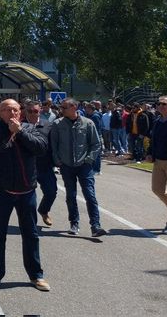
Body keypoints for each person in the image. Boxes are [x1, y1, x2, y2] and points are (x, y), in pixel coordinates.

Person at [0, 99, 50, 291]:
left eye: (15, 110)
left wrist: (19, 132)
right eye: (7, 110)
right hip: (1, 191)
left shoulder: (30, 128)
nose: (12, 113)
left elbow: (41, 148)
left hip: (27, 191)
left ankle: (36, 275)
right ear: (0, 113)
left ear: (20, 112)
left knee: (30, 235)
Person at [50, 98, 106, 237]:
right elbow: (54, 145)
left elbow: (96, 144)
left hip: (84, 166)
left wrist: (89, 159)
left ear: (74, 107)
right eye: (61, 107)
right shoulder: (58, 124)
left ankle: (95, 225)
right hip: (67, 166)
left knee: (90, 195)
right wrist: (58, 161)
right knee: (71, 196)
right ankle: (74, 223)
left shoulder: (88, 123)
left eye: (64, 107)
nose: (61, 110)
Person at [146, 96, 167, 235]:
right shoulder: (157, 121)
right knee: (157, 189)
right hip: (158, 160)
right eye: (158, 103)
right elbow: (153, 139)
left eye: (164, 104)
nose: (160, 106)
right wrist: (149, 152)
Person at [24, 101, 56, 227]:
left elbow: (53, 145)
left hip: (44, 166)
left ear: (40, 111)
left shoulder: (48, 125)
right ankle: (29, 222)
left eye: (36, 111)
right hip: (26, 167)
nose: (33, 114)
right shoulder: (19, 125)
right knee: (28, 197)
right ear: (25, 112)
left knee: (51, 192)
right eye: (30, 111)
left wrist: (55, 161)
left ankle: (43, 210)